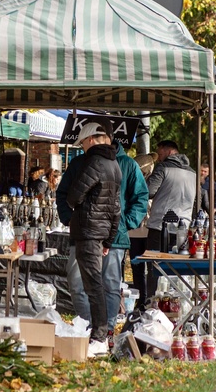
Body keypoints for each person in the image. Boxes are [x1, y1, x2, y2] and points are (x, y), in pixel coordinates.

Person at [60, 139, 148, 346]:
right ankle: (87, 326)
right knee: (77, 282)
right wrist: (68, 218)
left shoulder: (127, 164)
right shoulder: (79, 162)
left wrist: (125, 223)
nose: (85, 144)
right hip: (82, 233)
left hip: (114, 236)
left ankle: (106, 331)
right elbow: (63, 193)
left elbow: (141, 197)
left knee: (109, 284)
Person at [59, 121, 122, 358]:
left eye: (83, 142)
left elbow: (73, 197)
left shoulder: (94, 163)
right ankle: (101, 335)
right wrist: (109, 240)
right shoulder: (115, 165)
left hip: (87, 230)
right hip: (102, 232)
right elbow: (116, 208)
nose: (82, 147)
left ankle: (99, 337)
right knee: (98, 285)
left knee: (93, 286)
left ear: (92, 139)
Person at [147, 140, 196, 254]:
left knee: (156, 265)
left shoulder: (162, 168)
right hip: (184, 227)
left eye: (160, 154)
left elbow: (149, 191)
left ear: (169, 151)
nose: (159, 158)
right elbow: (198, 200)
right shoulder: (193, 173)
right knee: (176, 267)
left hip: (160, 225)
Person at [127, 152, 158, 310]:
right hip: (139, 230)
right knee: (138, 266)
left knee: (144, 267)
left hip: (144, 229)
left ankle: (146, 299)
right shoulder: (137, 183)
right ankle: (143, 299)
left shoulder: (150, 183)